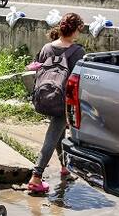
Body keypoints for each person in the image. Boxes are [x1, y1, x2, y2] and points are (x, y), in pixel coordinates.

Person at [28, 13, 86, 194]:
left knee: (59, 134)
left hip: (44, 97)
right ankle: (36, 178)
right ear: (76, 30)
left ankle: (64, 167)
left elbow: (36, 70)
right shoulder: (77, 52)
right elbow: (78, 82)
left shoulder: (47, 47)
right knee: (52, 136)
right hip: (63, 101)